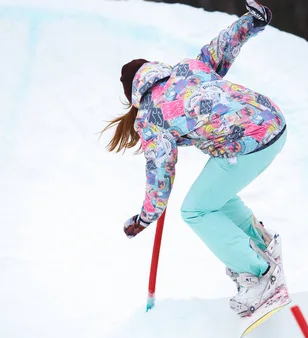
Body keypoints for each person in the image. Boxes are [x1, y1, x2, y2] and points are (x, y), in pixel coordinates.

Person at [102, 0, 289, 316]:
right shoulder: (188, 68)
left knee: (195, 210)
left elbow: (159, 174)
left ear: (132, 96)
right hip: (273, 120)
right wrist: (253, 21)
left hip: (247, 145)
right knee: (214, 196)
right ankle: (261, 243)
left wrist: (145, 218)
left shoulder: (149, 117)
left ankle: (258, 276)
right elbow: (224, 44)